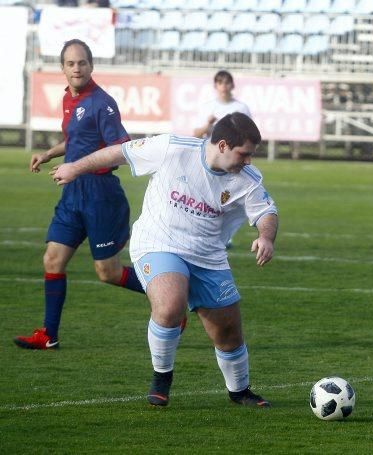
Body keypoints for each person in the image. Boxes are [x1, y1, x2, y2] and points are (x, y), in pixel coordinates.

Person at [51, 113, 278, 408]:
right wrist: (74, 168)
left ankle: (240, 391)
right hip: (159, 242)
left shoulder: (247, 179)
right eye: (244, 154)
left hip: (208, 254)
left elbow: (266, 212)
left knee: (227, 331)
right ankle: (162, 377)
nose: (248, 161)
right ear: (222, 145)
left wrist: (266, 236)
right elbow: (119, 152)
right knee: (170, 304)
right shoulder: (172, 148)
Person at [14, 39, 146, 350]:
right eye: (71, 63)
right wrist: (49, 154)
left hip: (100, 195)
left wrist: (81, 168)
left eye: (82, 62)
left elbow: (120, 150)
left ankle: (172, 298)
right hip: (72, 194)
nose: (77, 68)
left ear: (91, 65)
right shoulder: (68, 100)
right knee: (53, 258)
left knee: (108, 272)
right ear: (62, 68)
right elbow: (76, 140)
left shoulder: (103, 103)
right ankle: (49, 334)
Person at [193, 70, 253, 248]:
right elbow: (196, 134)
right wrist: (208, 125)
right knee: (205, 197)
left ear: (232, 85)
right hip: (210, 159)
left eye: (227, 83)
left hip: (231, 160)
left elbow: (249, 136)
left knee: (229, 198)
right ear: (215, 86)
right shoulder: (206, 107)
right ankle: (202, 232)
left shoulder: (241, 108)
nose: (224, 86)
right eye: (220, 83)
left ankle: (226, 235)